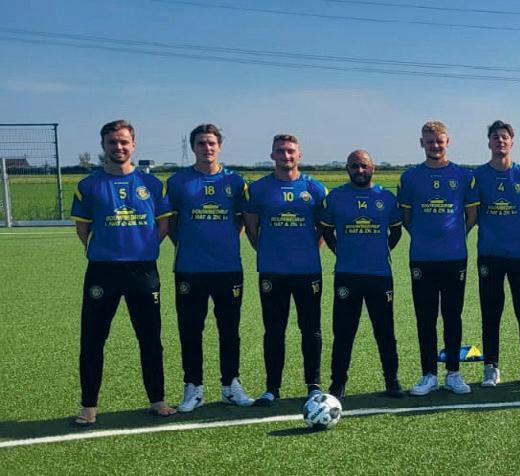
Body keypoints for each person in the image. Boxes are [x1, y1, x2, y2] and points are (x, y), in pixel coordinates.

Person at [70, 119, 177, 425]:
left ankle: (157, 399)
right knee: (93, 339)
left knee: (150, 338)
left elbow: (164, 225)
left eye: (123, 142)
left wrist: (142, 247)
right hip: (102, 271)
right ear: (103, 145)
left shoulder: (152, 185)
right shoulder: (88, 185)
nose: (118, 147)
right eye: (112, 142)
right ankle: (89, 405)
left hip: (143, 270)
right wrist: (106, 250)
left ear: (133, 144)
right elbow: (83, 229)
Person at [164, 123, 254, 411]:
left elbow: (241, 221)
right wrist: (190, 245)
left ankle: (230, 385)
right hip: (190, 268)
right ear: (193, 147)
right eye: (201, 143)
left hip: (228, 268)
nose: (207, 148)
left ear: (219, 146)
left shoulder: (235, 182)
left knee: (230, 330)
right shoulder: (178, 182)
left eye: (212, 143)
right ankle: (193, 387)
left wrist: (222, 243)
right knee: (191, 330)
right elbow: (172, 224)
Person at [244, 133, 327, 406]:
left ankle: (314, 385)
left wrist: (307, 249)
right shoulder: (259, 189)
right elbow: (252, 230)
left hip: (307, 271)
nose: (286, 155)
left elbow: (322, 228)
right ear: (272, 155)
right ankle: (272, 388)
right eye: (280, 151)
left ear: (299, 155)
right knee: (274, 330)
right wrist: (269, 251)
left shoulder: (315, 188)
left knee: (311, 329)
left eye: (291, 151)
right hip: (272, 271)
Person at [399, 121, 479, 396]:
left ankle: (453, 373)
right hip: (422, 258)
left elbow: (471, 216)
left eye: (439, 141)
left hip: (454, 257)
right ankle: (428, 374)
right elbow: (407, 218)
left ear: (447, 142)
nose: (435, 146)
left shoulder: (463, 175)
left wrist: (454, 237)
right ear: (422, 143)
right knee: (425, 318)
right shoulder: (410, 177)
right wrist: (425, 237)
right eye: (430, 141)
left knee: (452, 316)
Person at [319, 150, 405, 398]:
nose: (359, 170)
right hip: (347, 275)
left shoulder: (386, 198)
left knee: (385, 331)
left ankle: (392, 381)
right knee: (343, 332)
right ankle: (338, 383)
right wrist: (341, 252)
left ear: (373, 168)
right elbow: (327, 232)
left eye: (364, 166)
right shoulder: (336, 197)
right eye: (354, 166)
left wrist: (380, 251)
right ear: (347, 168)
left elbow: (396, 232)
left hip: (380, 275)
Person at [472, 120, 520, 387]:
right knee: (491, 313)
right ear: (489, 142)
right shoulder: (479, 176)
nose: (500, 141)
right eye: (495, 137)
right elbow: (474, 214)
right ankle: (491, 367)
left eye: (504, 137)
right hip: (489, 254)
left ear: (511, 142)